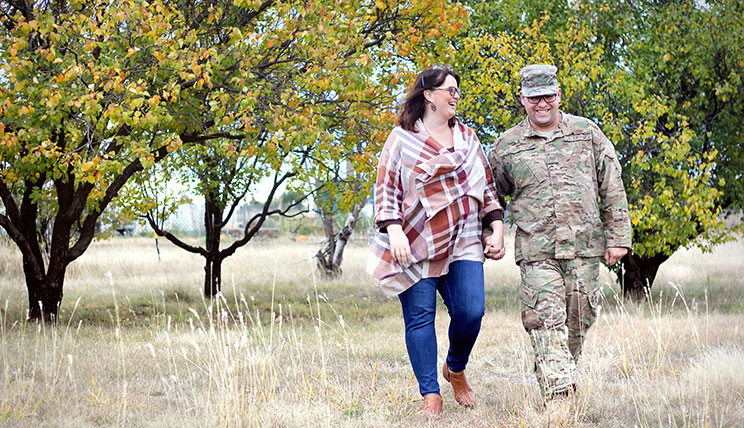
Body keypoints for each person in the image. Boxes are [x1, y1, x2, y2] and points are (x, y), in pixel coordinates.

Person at [366, 65, 506, 417]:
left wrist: (498, 228)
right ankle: (431, 394)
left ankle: (455, 368)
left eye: (457, 91)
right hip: (415, 241)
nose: (455, 96)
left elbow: (486, 187)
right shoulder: (401, 139)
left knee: (471, 311)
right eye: (449, 90)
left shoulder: (469, 138)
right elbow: (386, 189)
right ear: (429, 95)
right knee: (420, 320)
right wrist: (394, 229)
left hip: (465, 239)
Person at [487, 64, 632, 404]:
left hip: (584, 249)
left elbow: (611, 184)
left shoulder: (587, 133)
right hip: (537, 252)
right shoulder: (507, 146)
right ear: (522, 98)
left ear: (559, 95)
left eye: (548, 96)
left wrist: (618, 237)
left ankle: (558, 371)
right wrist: (489, 233)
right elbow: (491, 194)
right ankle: (560, 399)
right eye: (534, 97)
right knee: (546, 322)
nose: (542, 104)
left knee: (579, 321)